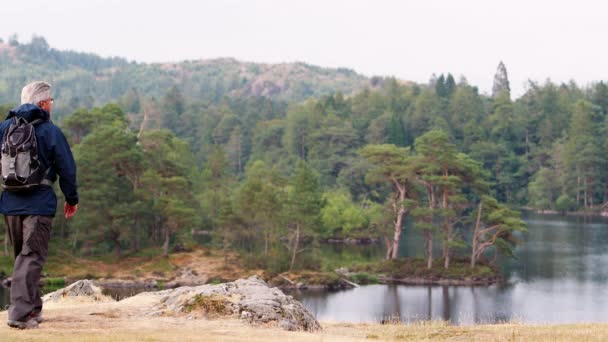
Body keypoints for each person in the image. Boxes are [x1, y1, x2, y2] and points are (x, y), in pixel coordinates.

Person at [1, 81, 78, 329]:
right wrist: (71, 198)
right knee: (31, 257)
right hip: (39, 204)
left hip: (10, 203)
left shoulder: (4, 128)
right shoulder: (49, 130)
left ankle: (32, 309)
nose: (51, 105)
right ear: (43, 103)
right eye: (51, 101)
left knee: (23, 257)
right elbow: (67, 167)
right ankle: (20, 315)